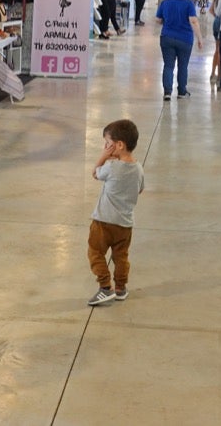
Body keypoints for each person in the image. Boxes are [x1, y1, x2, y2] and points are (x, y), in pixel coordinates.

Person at [87, 119, 145, 306]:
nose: (105, 147)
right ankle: (120, 288)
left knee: (95, 252)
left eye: (108, 144)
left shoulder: (111, 167)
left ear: (119, 145)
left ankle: (105, 287)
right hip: (125, 224)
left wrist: (103, 157)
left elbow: (95, 173)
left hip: (103, 222)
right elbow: (140, 189)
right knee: (121, 257)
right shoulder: (138, 168)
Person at [155, 0, 204, 100]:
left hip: (167, 37)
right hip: (185, 39)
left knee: (168, 65)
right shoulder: (188, 3)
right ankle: (182, 91)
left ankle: (167, 92)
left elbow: (158, 20)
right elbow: (193, 21)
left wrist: (167, 22)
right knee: (183, 65)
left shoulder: (165, 3)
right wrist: (199, 38)